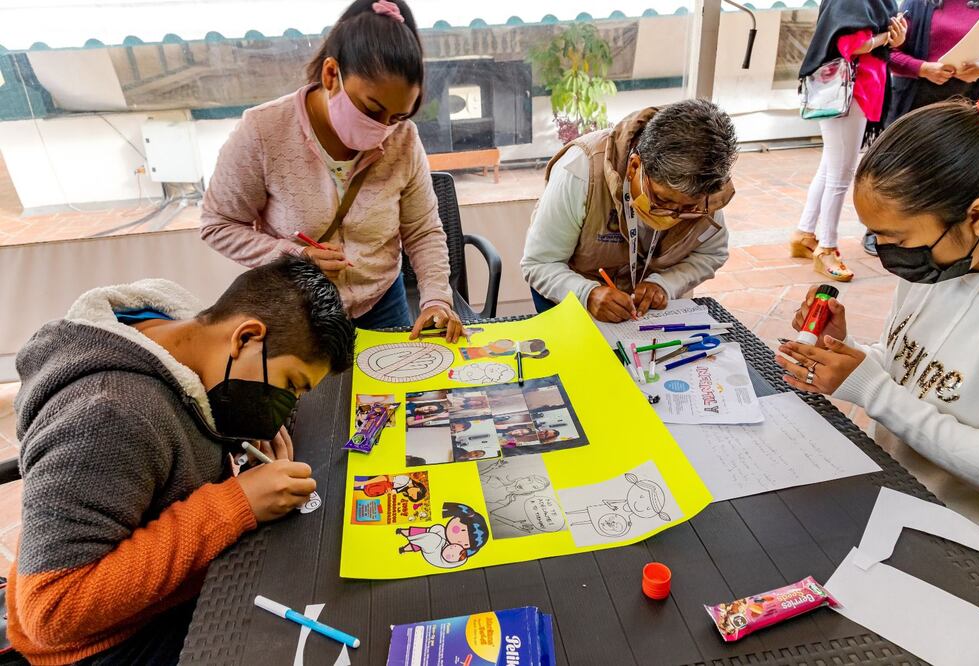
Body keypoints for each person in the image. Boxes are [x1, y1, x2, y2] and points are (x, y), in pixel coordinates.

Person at [8, 254, 355, 663]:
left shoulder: (181, 329)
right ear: (245, 338)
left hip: (157, 593)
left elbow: (195, 406)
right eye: (290, 385)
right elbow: (52, 611)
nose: (289, 404)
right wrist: (236, 504)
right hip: (107, 641)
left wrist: (251, 429)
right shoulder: (110, 414)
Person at [777, 92, 979, 536]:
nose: (884, 253)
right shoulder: (936, 267)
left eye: (894, 237)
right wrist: (848, 352)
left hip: (964, 539)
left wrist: (872, 390)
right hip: (898, 494)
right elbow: (914, 371)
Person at [200, 0, 464, 342]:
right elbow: (218, 225)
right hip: (299, 309)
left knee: (392, 392)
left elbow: (423, 230)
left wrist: (435, 300)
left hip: (383, 302)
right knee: (314, 397)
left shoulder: (403, 140)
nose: (382, 128)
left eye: (397, 116)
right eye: (372, 109)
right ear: (331, 75)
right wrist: (294, 254)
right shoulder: (264, 132)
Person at [521, 100, 738, 322]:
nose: (672, 216)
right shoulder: (580, 170)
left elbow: (712, 253)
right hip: (571, 302)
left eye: (687, 208)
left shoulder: (708, 191)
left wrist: (664, 284)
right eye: (662, 199)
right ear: (635, 166)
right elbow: (539, 264)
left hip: (640, 316)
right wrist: (586, 294)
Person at [860, 0, 979, 255]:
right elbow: (892, 53)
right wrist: (924, 68)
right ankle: (883, 231)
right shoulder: (918, 3)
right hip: (916, 99)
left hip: (966, 102)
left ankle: (938, 232)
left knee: (954, 168)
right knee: (901, 167)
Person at [793, 1, 907, 280]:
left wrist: (895, 39)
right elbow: (851, 44)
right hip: (850, 90)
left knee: (831, 166)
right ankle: (827, 248)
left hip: (857, 89)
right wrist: (887, 37)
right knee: (841, 174)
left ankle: (805, 233)